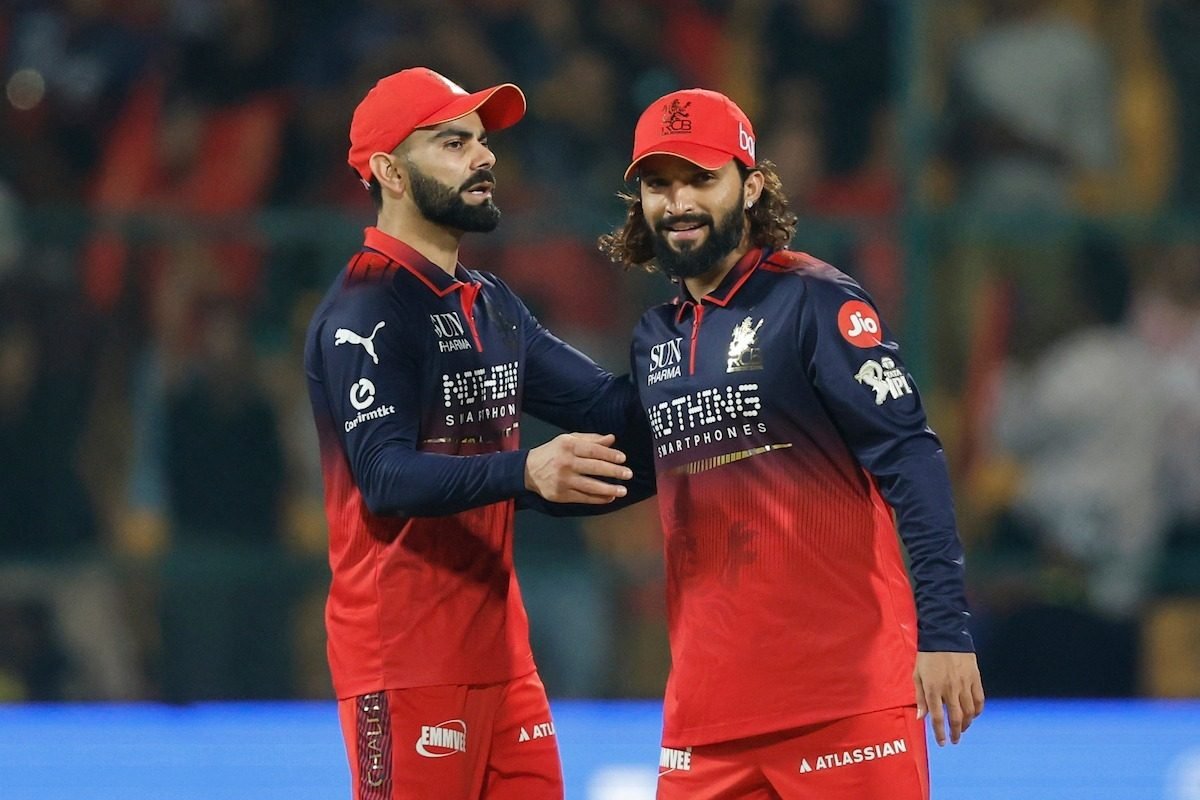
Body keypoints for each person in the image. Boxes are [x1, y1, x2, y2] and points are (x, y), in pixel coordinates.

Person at [600, 88, 984, 799]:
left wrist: (946, 630)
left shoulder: (815, 299)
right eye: (659, 184)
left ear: (750, 188)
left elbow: (910, 457)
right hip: (705, 719)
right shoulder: (654, 336)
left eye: (700, 179)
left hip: (842, 705)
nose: (678, 202)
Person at [304, 67, 651, 800]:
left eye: (482, 142)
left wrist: (714, 375)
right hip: (404, 666)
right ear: (390, 172)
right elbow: (386, 477)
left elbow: (607, 408)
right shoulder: (366, 308)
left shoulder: (487, 302)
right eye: (453, 143)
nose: (485, 156)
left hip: (503, 661)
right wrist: (526, 471)